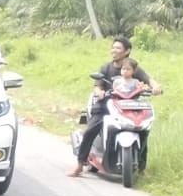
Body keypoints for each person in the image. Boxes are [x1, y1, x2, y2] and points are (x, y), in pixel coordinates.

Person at [68, 35, 161, 176]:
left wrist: (155, 87)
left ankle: (142, 168)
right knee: (90, 131)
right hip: (105, 106)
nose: (114, 50)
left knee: (143, 130)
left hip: (128, 107)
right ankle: (80, 165)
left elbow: (149, 79)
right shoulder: (106, 67)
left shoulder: (132, 67)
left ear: (126, 51)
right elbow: (97, 86)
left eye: (118, 48)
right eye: (113, 47)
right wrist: (99, 92)